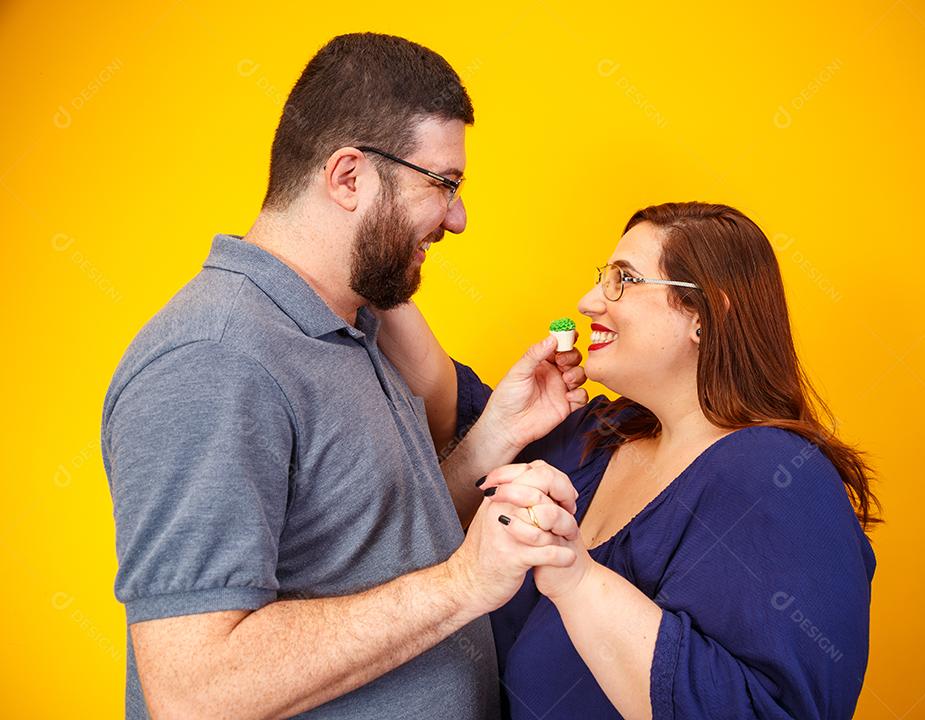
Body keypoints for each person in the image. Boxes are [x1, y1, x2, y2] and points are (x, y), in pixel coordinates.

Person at [100, 33, 589, 719]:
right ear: (349, 177)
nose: (457, 218)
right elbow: (194, 691)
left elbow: (375, 546)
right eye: (443, 184)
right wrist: (463, 585)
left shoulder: (350, 326)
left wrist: (494, 437)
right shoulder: (214, 359)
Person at [379, 201, 880, 719]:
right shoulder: (602, 435)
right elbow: (445, 405)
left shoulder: (779, 477)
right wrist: (366, 248)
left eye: (624, 279)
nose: (589, 301)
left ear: (704, 315)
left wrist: (577, 580)